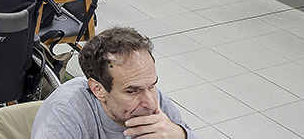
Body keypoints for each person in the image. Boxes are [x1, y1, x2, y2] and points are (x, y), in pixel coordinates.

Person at [32, 27, 196, 138]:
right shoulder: (65, 115)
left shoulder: (151, 99)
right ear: (98, 89)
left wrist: (180, 134)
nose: (151, 103)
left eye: (152, 85)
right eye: (132, 91)